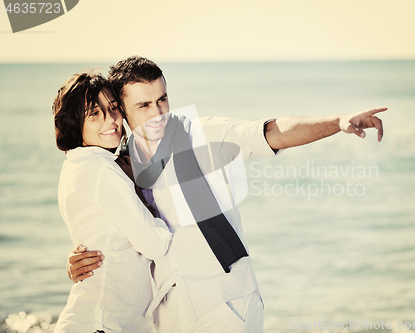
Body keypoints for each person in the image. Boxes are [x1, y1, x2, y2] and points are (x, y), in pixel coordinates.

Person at [67, 56, 386, 333]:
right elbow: (110, 223)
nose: (158, 113)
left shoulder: (200, 134)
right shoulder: (120, 164)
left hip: (226, 305)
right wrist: (78, 258)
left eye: (162, 99)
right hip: (169, 314)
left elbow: (271, 132)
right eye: (144, 105)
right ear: (121, 111)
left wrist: (338, 122)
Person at [52, 70, 172, 333]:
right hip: (102, 324)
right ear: (74, 122)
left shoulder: (77, 165)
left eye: (113, 107)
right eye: (94, 113)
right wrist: (141, 195)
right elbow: (155, 244)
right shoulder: (99, 168)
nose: (111, 120)